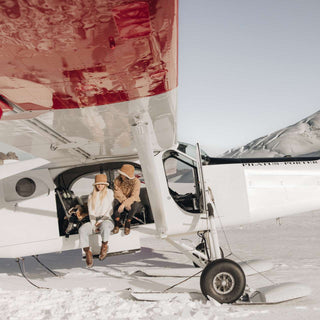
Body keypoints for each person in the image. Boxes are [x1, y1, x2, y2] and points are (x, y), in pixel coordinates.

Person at [79, 174, 114, 268]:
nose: (100, 186)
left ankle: (104, 246)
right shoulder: (91, 196)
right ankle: (87, 252)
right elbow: (91, 212)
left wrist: (101, 221)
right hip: (94, 220)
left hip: (107, 218)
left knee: (105, 226)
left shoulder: (109, 193)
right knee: (83, 229)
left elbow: (110, 210)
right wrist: (94, 224)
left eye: (102, 184)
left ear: (105, 185)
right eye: (98, 184)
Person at [112, 164, 142, 235]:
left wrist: (125, 204)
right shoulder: (117, 180)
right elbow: (117, 194)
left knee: (135, 204)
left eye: (123, 174)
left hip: (132, 200)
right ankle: (117, 223)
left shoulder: (136, 182)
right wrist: (124, 203)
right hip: (121, 200)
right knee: (115, 202)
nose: (121, 175)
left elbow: (134, 196)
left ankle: (128, 222)